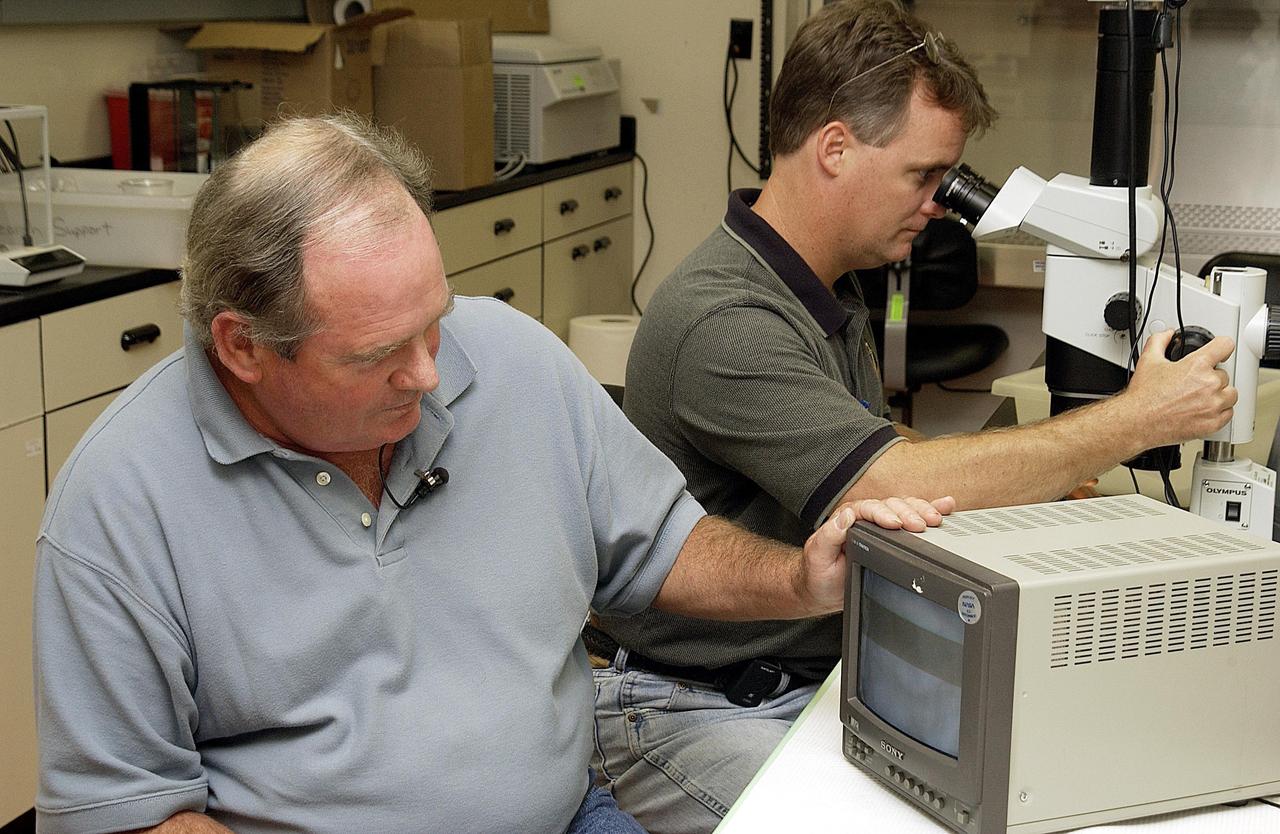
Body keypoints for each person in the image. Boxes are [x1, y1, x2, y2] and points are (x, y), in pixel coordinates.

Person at [31, 113, 952, 834]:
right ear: (244, 348)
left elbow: (660, 545)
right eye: (380, 353)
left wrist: (800, 578)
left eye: (434, 319)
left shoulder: (508, 358)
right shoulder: (121, 505)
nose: (432, 375)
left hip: (567, 816)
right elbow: (131, 813)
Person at [590, 2, 1240, 832]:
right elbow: (888, 480)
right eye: (923, 176)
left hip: (816, 678)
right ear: (834, 149)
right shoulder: (724, 319)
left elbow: (877, 444)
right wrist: (1133, 421)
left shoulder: (826, 284)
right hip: (691, 710)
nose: (939, 204)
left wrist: (1035, 487)